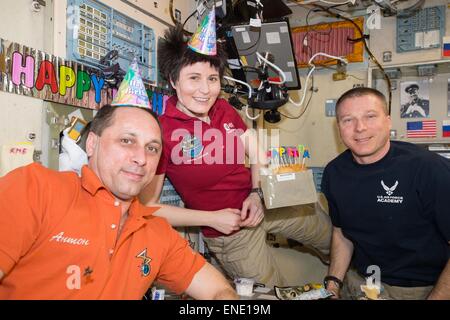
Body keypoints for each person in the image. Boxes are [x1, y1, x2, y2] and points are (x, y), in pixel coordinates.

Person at [0, 60, 237, 300]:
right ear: (92, 144)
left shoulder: (156, 232)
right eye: (126, 141)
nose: (141, 158)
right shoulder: (36, 189)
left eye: (152, 148)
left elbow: (219, 290)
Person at [139, 20, 331, 288]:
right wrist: (212, 218)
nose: (205, 90)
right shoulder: (161, 131)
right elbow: (147, 208)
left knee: (333, 239)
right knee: (272, 294)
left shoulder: (225, 110)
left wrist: (257, 192)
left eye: (212, 79)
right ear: (173, 80)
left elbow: (257, 153)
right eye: (194, 78)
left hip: (267, 204)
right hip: (228, 231)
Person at [321, 87, 450, 300]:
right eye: (348, 120)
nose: (359, 128)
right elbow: (342, 233)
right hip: (360, 285)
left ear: (388, 121)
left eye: (370, 116)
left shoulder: (429, 169)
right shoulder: (334, 172)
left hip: (423, 291)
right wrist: (332, 285)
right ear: (339, 128)